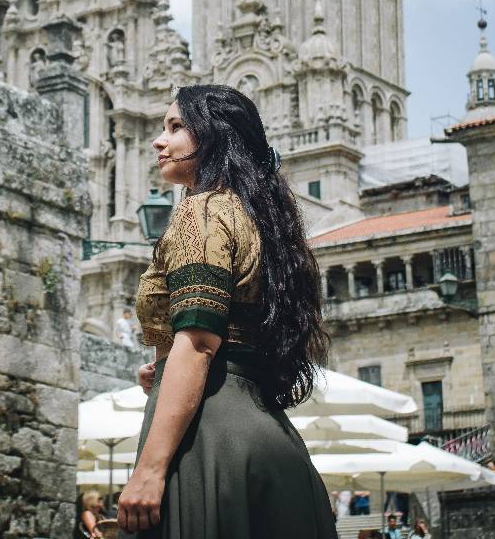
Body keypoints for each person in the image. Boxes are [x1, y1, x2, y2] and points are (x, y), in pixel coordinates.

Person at [116, 84, 336, 538]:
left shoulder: (201, 211)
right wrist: (161, 365)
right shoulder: (260, 217)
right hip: (266, 436)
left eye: (176, 127)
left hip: (210, 442)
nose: (160, 141)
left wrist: (150, 471)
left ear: (214, 136)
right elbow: (227, 336)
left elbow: (198, 342)